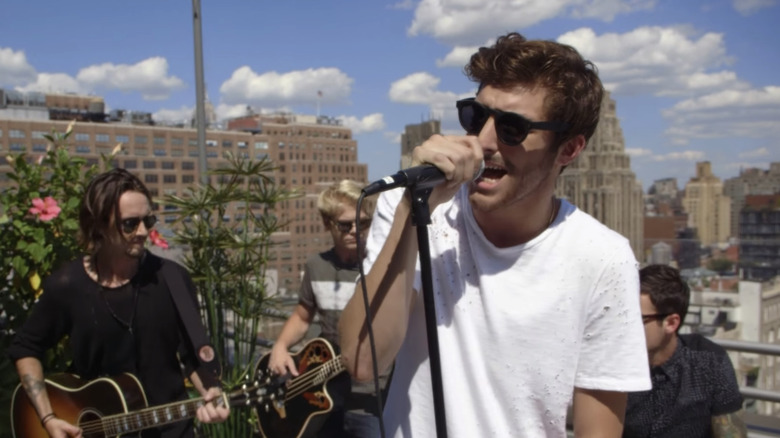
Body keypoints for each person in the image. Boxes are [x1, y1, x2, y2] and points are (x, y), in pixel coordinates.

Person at [338, 32, 651, 438]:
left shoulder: (603, 258)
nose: (483, 141)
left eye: (512, 128)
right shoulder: (410, 208)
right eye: (476, 117)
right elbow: (364, 361)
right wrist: (412, 211)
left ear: (569, 149)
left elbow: (599, 430)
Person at [7, 168, 229, 438]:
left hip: (172, 431)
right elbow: (26, 347)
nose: (143, 231)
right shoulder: (68, 285)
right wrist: (48, 417)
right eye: (129, 224)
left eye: (149, 220)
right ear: (99, 225)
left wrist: (211, 394)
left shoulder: (172, 279)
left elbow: (192, 358)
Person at [268, 179, 387, 438]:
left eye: (363, 222)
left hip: (370, 398)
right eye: (345, 225)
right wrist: (279, 347)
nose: (356, 230)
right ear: (327, 224)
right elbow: (302, 316)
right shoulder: (316, 266)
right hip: (323, 390)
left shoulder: (382, 268)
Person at [623, 264, 746, 438]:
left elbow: (731, 433)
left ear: (671, 323)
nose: (624, 326)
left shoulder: (709, 362)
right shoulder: (615, 363)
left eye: (636, 318)